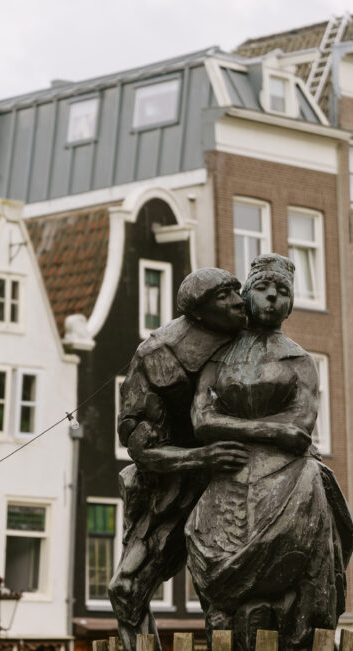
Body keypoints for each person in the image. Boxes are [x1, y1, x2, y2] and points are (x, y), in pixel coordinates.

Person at [185, 254, 353, 651]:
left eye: (282, 292)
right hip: (229, 468)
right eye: (263, 289)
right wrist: (263, 429)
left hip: (287, 472)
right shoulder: (218, 356)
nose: (273, 298)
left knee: (314, 487)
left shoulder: (300, 361)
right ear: (246, 295)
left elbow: (299, 428)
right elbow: (201, 419)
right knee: (195, 522)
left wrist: (243, 429)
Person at [110, 267, 248, 651]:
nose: (239, 301)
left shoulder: (255, 338)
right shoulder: (158, 354)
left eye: (237, 290)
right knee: (125, 590)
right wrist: (202, 458)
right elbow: (141, 446)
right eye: (224, 296)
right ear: (199, 311)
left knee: (227, 593)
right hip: (176, 482)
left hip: (244, 473)